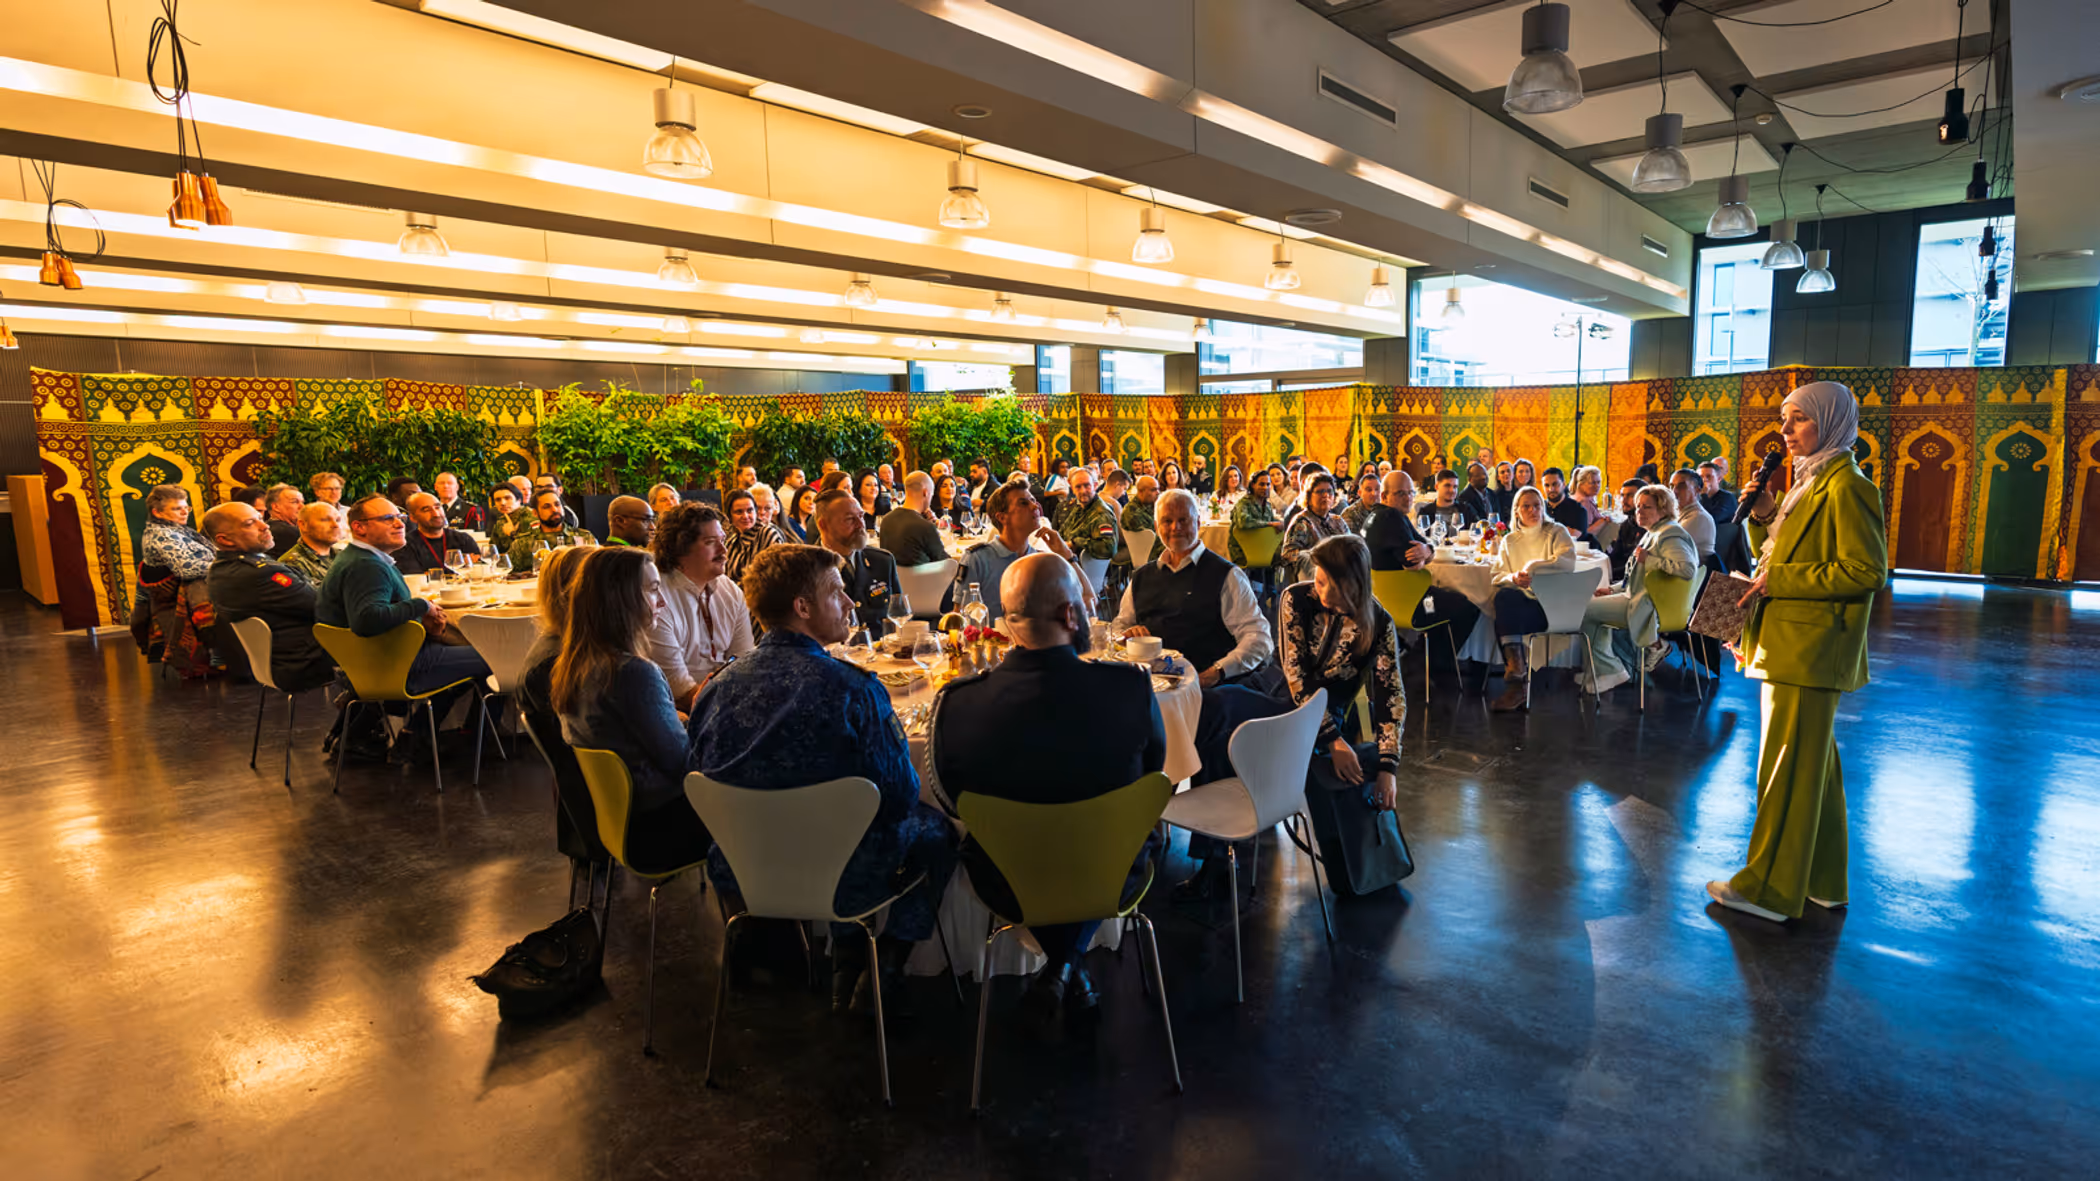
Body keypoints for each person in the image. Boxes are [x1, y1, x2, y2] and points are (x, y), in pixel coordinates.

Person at [686, 544, 958, 1012]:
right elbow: (899, 794)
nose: (851, 601)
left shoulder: (716, 688)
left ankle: (846, 958)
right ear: (803, 607)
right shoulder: (854, 689)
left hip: (744, 871)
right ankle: (887, 962)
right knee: (937, 833)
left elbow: (698, 776)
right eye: (837, 592)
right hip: (847, 875)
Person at [928, 553, 1164, 1030]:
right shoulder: (1130, 690)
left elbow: (952, 801)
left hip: (1007, 881)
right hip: (1109, 873)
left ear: (1008, 619)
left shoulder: (957, 703)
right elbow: (1151, 777)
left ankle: (1060, 966)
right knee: (1144, 831)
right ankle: (1067, 963)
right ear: (1069, 614)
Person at [1709, 380, 1886, 923]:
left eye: (1799, 419)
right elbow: (1787, 553)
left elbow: (1866, 570)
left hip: (1809, 647)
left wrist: (1778, 580)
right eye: (1784, 419)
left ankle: (1769, 890)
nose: (1785, 430)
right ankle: (1822, 880)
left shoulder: (1848, 485)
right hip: (1792, 641)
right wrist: (1765, 516)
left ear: (1830, 422)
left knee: (1784, 770)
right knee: (1815, 768)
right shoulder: (1811, 480)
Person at [553, 545, 713, 871]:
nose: (662, 602)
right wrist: (707, 714)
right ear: (620, 599)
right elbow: (686, 765)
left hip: (621, 826)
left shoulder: (576, 665)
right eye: (653, 590)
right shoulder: (632, 673)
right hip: (661, 831)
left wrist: (673, 718)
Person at [316, 495, 491, 754]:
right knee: (497, 657)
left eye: (400, 518)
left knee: (465, 651)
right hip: (393, 664)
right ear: (359, 528)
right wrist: (420, 605)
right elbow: (367, 620)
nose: (400, 524)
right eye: (388, 519)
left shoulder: (357, 558)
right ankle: (476, 741)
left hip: (370, 663)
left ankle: (410, 732)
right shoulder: (367, 566)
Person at [1279, 535, 1404, 812]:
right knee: (1224, 704)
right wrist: (1333, 739)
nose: (1322, 593)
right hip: (1286, 701)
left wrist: (1388, 768)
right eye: (1318, 581)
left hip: (1330, 714)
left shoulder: (1379, 622)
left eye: (1331, 585)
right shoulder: (1296, 598)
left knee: (1343, 773)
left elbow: (1391, 695)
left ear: (1354, 585)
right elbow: (1295, 675)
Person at [1575, 484, 1698, 696]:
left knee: (1584, 610)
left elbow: (1687, 569)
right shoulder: (1656, 531)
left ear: (1663, 510)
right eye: (1638, 506)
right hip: (1643, 599)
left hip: (1651, 606)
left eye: (1647, 507)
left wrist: (1650, 559)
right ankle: (1598, 670)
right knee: (1590, 607)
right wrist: (1611, 590)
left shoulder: (1670, 534)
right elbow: (1637, 578)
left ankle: (1611, 670)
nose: (1639, 511)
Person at [202, 501, 335, 690]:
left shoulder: (222, 569)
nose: (264, 526)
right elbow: (323, 606)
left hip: (278, 662)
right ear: (225, 540)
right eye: (250, 523)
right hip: (304, 663)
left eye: (260, 518)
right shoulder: (260, 572)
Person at [648, 502, 754, 711]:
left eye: (722, 540)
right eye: (710, 542)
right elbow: (678, 691)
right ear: (680, 548)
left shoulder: (730, 590)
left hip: (725, 703)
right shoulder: (657, 596)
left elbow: (745, 663)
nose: (723, 550)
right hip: (677, 714)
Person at [1486, 486, 1575, 712]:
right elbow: (1497, 576)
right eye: (1526, 506)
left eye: (1537, 505)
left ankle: (1517, 681)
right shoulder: (1510, 540)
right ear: (1517, 511)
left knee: (1504, 614)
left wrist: (1535, 567)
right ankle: (1517, 674)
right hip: (1523, 606)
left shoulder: (1556, 531)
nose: (1533, 510)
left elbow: (1567, 562)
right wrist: (1514, 577)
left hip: (1552, 606)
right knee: (1505, 597)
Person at [955, 479, 1090, 622]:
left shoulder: (1040, 560)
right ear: (1002, 517)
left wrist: (1067, 555)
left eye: (1033, 501)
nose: (1035, 506)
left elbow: (1087, 601)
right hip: (993, 635)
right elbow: (960, 617)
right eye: (1024, 503)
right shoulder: (977, 559)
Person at [812, 488, 899, 630]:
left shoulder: (882, 561)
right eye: (849, 519)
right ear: (823, 525)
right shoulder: (809, 569)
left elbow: (899, 614)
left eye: (861, 516)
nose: (861, 525)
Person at [1280, 472, 1348, 582]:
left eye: (1329, 491)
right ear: (1309, 496)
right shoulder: (1302, 521)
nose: (1326, 495)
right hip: (1313, 577)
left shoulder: (1338, 521)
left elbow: (1350, 547)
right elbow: (1287, 553)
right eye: (1320, 492)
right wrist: (1315, 557)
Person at [395, 492, 479, 578]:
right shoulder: (404, 545)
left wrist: (431, 573)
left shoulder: (463, 539)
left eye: (438, 507)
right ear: (413, 517)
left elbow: (479, 572)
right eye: (426, 510)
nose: (436, 514)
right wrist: (459, 571)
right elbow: (416, 578)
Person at [507, 488, 594, 571]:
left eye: (557, 504)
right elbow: (508, 575)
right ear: (535, 513)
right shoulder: (522, 543)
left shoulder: (584, 537)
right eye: (546, 507)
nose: (554, 509)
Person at [1051, 465, 1118, 567]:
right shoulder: (1079, 507)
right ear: (1072, 489)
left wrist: (1075, 543)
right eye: (1078, 487)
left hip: (1083, 569)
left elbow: (1109, 548)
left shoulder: (1102, 513)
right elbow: (1063, 532)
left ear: (1095, 485)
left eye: (1087, 485)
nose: (1083, 491)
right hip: (1070, 564)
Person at [878, 471, 947, 569]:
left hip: (893, 577)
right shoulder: (924, 526)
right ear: (925, 492)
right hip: (926, 577)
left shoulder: (886, 520)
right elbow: (945, 562)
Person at [724, 489, 787, 583]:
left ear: (755, 512)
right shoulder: (731, 542)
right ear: (729, 515)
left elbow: (776, 577)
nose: (745, 516)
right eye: (739, 512)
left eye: (750, 510)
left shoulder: (768, 534)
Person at [280, 501, 343, 589]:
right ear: (303, 525)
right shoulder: (291, 564)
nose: (335, 525)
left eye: (338, 520)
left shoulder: (344, 555)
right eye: (325, 520)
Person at [1670, 468, 1718, 560]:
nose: (1674, 491)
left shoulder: (1699, 518)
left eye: (1681, 486)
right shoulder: (1678, 513)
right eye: (1671, 486)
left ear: (1697, 490)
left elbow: (1668, 547)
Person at [1115, 475, 1160, 571]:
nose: (1158, 493)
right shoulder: (1132, 513)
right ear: (1140, 491)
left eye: (1158, 489)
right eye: (1153, 490)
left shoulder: (1148, 505)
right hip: (1149, 556)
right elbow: (1154, 539)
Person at [1606, 478, 1647, 582]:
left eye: (1630, 496)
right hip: (1619, 577)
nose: (1624, 501)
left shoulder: (1649, 528)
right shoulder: (1626, 524)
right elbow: (1615, 555)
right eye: (1622, 495)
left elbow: (1637, 566)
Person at [1416, 470, 1479, 536]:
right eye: (1447, 486)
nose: (1452, 490)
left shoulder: (1466, 510)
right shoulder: (1426, 513)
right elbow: (1421, 538)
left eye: (1455, 487)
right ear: (1436, 486)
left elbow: (1477, 531)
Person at [1539, 467, 1591, 543]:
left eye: (1555, 484)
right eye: (1547, 485)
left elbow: (1572, 537)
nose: (1551, 489)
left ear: (1563, 484)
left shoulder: (1578, 510)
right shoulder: (1539, 508)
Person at [262, 484, 304, 557]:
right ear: (276, 507)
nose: (302, 506)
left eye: (302, 502)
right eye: (294, 502)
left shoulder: (270, 527)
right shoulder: (286, 532)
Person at [486, 485, 529, 556]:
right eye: (498, 500)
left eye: (508, 498)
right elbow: (493, 551)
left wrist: (512, 534)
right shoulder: (501, 522)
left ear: (519, 500)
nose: (502, 503)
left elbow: (529, 551)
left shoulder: (531, 518)